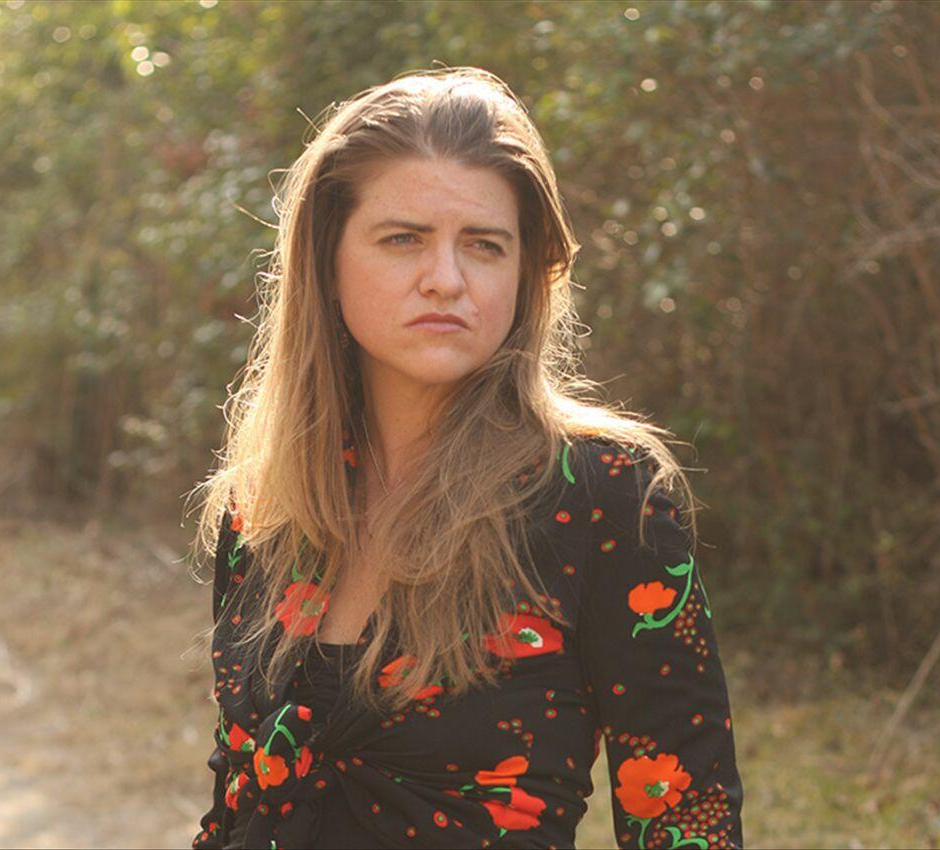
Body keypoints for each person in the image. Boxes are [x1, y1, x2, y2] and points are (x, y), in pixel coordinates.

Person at [189, 67, 743, 850]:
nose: (445, 280)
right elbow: (236, 803)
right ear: (327, 260)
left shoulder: (603, 495)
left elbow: (687, 821)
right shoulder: (266, 507)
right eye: (403, 239)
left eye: (484, 246)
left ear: (525, 274)